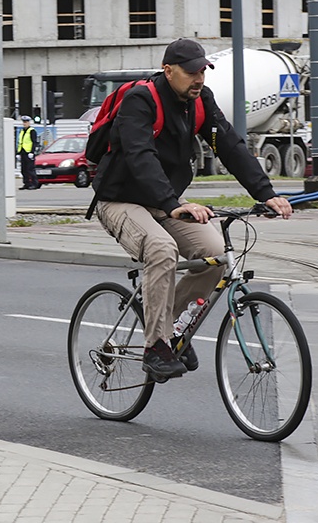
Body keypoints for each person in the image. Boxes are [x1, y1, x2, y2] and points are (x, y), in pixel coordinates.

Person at [91, 38, 293, 383]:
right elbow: (141, 157)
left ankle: (165, 328)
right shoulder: (140, 100)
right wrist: (173, 205)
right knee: (161, 248)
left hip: (166, 202)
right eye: (190, 72)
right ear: (168, 71)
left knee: (214, 254)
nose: (198, 78)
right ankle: (156, 346)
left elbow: (229, 146)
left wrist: (266, 193)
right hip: (121, 200)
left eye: (203, 70)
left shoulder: (200, 102)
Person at [18, 114, 40, 190]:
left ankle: (34, 183)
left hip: (29, 153)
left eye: (26, 122)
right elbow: (20, 142)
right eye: (23, 122)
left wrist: (32, 152)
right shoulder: (22, 131)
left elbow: (34, 142)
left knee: (30, 169)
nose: (25, 123)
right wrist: (18, 153)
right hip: (23, 152)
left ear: (29, 122)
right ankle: (26, 183)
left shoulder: (32, 131)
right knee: (24, 170)